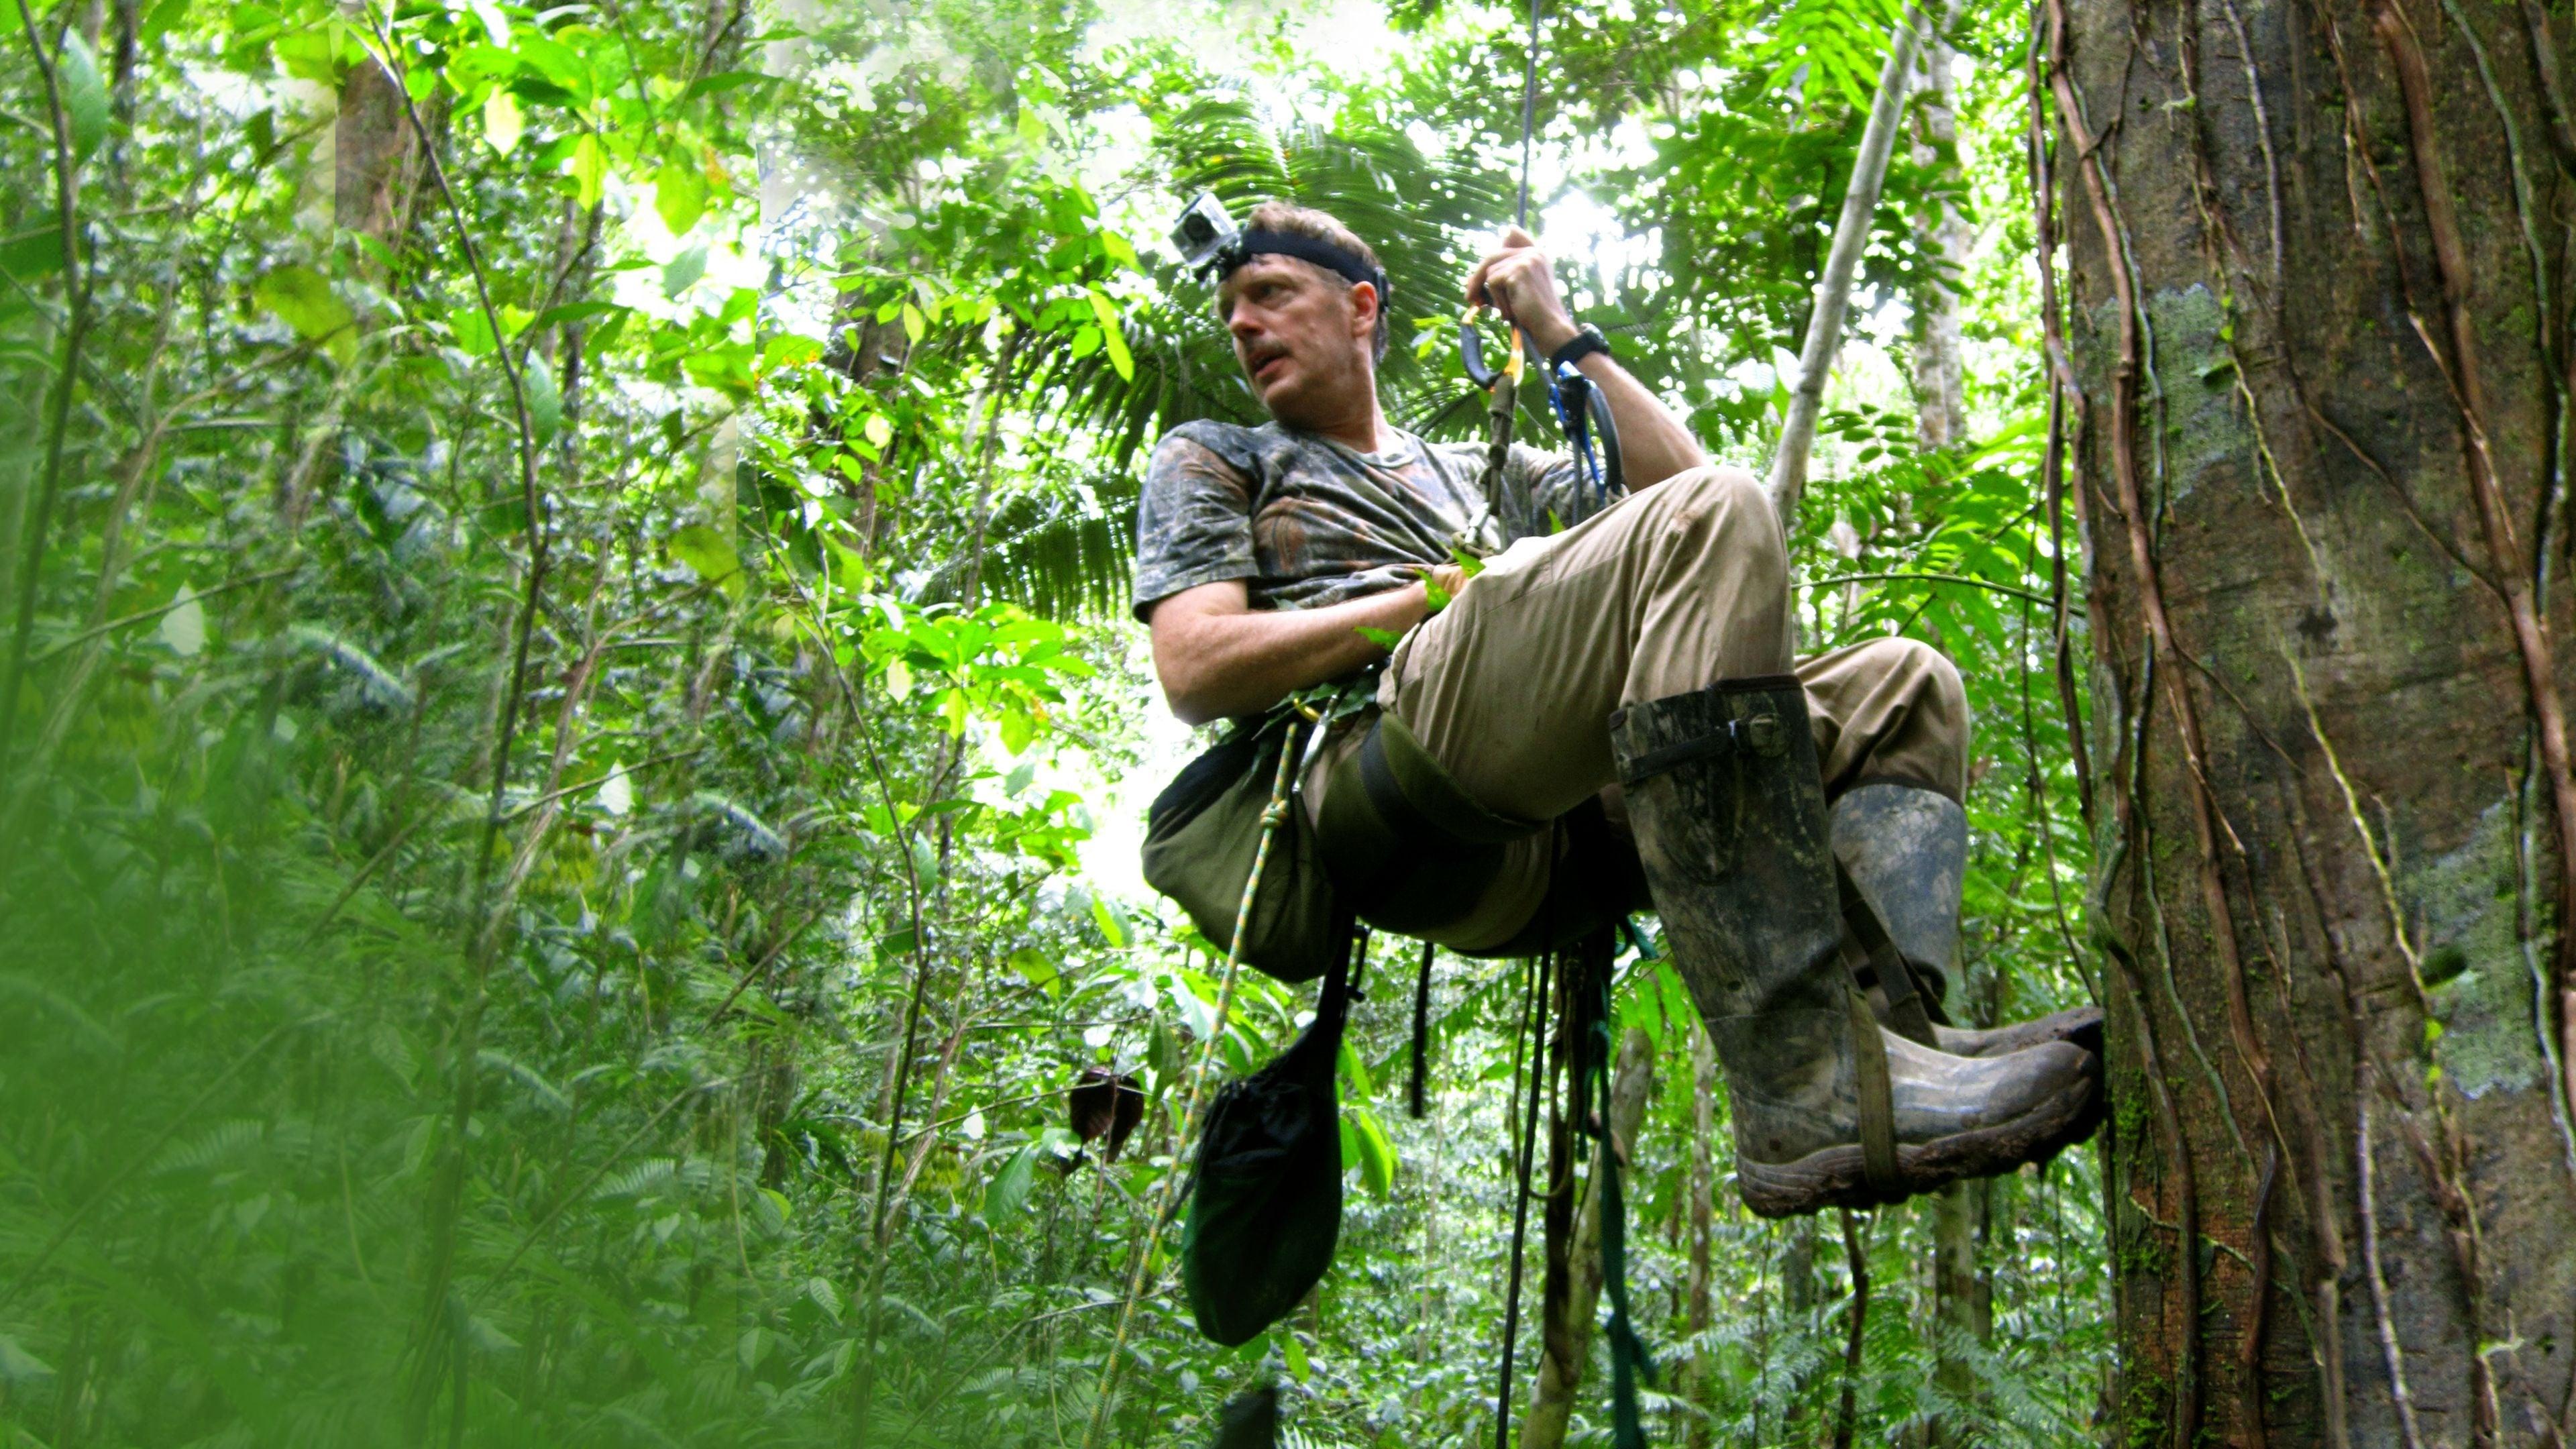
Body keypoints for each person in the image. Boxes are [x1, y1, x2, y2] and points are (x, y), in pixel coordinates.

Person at [1130, 201, 2100, 1216]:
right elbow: (1195, 666)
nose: (1242, 326)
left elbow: (1698, 491)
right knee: (1707, 519)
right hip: (1382, 782)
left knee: (1904, 688)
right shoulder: (1220, 455)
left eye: (1270, 295)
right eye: (1232, 309)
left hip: (1574, 826)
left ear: (1360, 307)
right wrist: (1432, 596)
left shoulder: (1479, 476)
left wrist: (1557, 330)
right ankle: (1801, 1076)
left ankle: (1894, 1044)